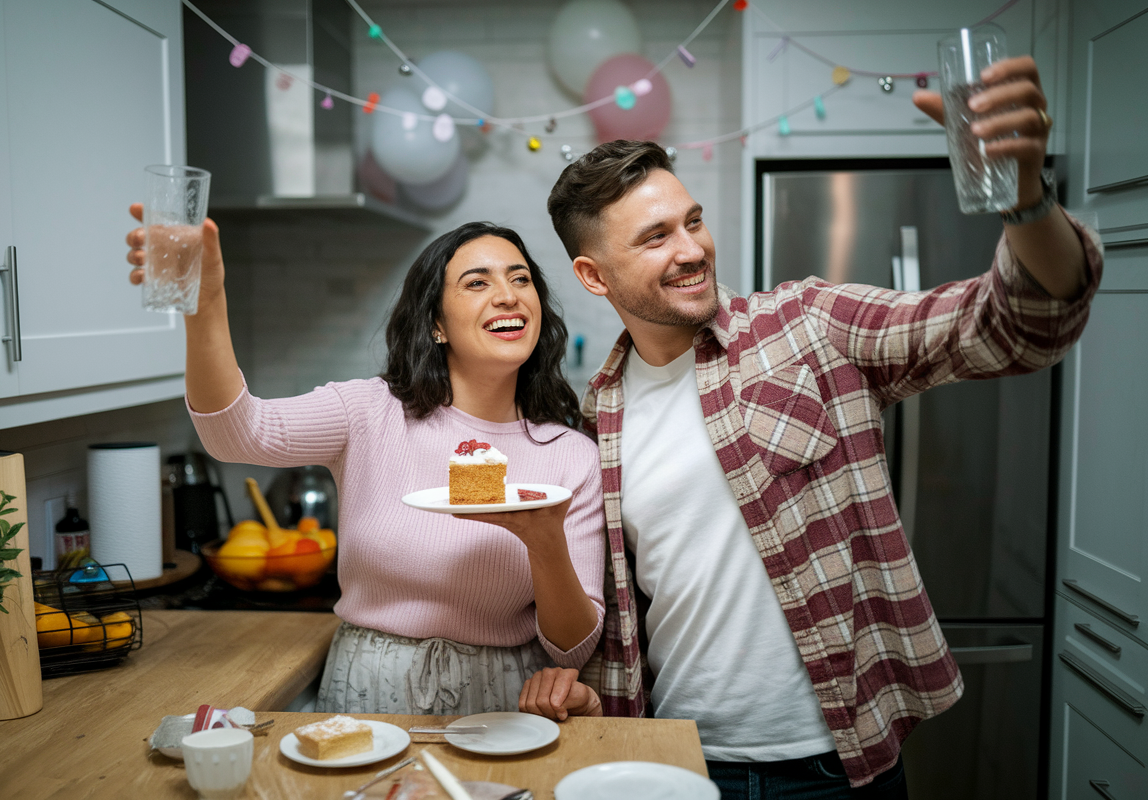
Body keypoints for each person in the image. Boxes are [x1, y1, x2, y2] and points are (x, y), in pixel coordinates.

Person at [516, 55, 1102, 796]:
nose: (692, 249)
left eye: (693, 221)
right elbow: (628, 615)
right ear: (595, 276)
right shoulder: (599, 415)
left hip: (836, 764)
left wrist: (1026, 205)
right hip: (679, 761)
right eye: (656, 236)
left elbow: (1016, 325)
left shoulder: (806, 327)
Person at [123, 214, 606, 716]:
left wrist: (544, 540)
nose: (508, 295)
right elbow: (234, 434)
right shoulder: (367, 412)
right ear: (436, 325)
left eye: (520, 278)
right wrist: (205, 307)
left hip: (504, 701)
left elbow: (572, 647)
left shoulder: (571, 456)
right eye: (477, 282)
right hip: (369, 688)